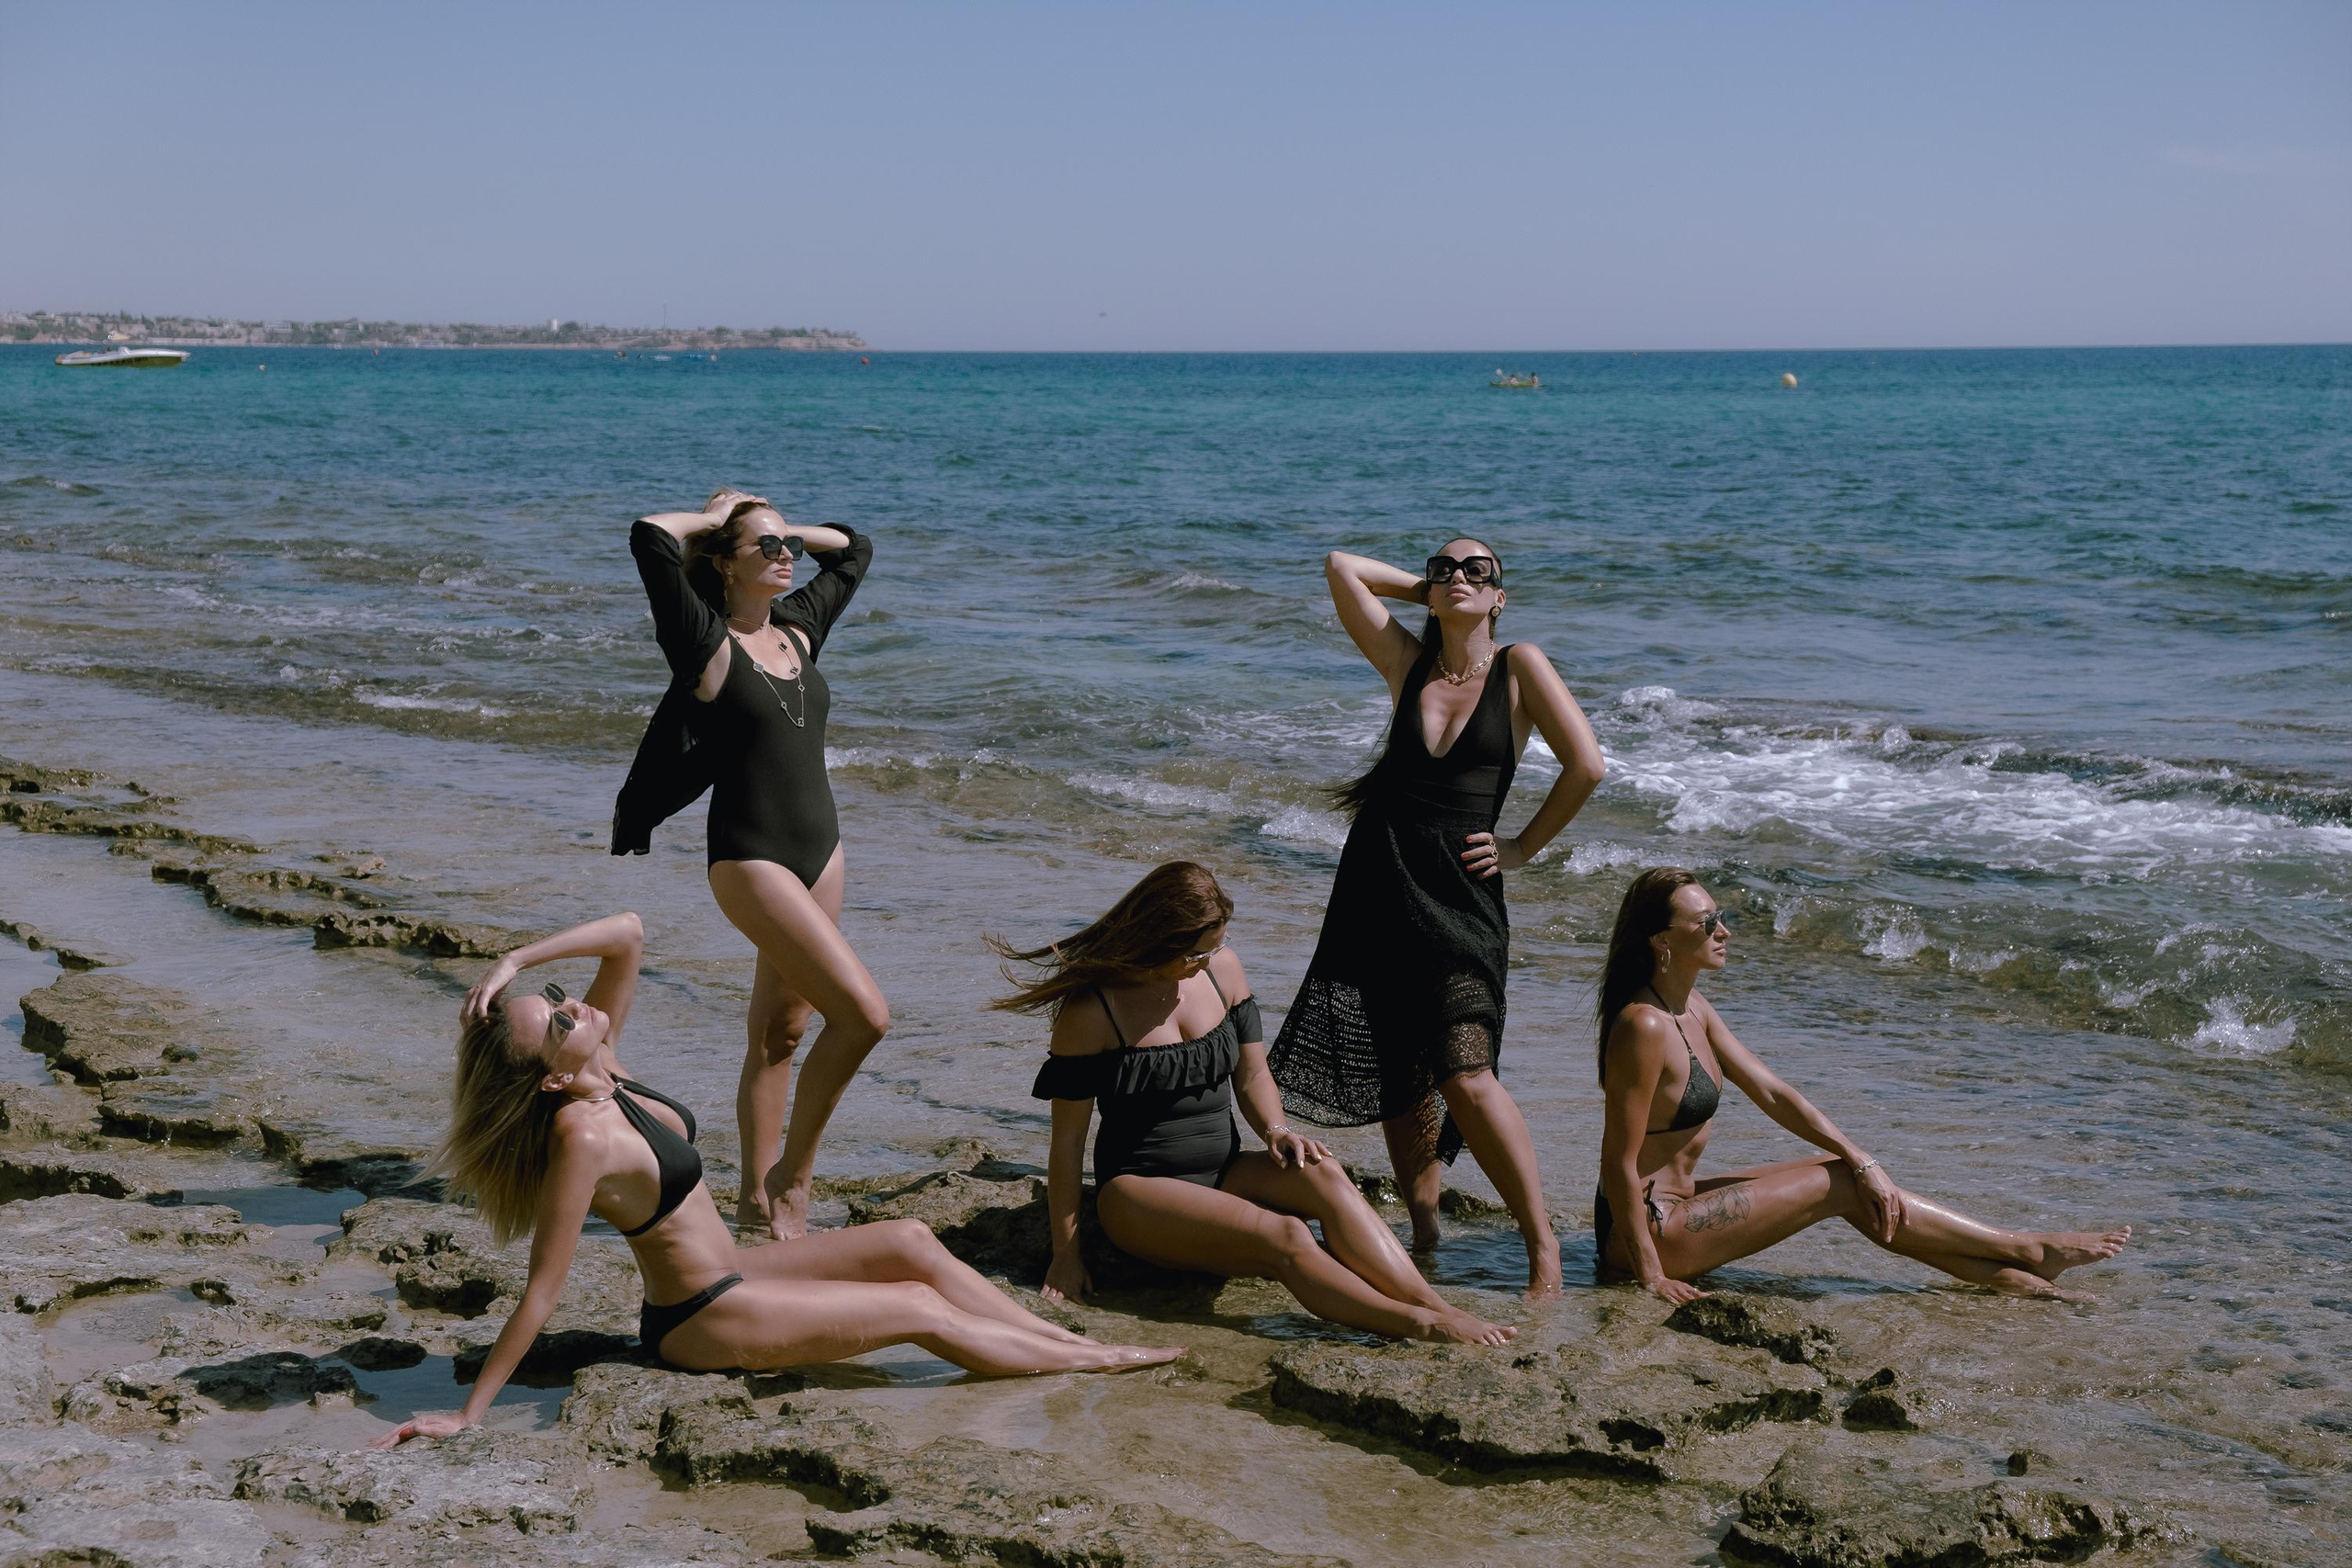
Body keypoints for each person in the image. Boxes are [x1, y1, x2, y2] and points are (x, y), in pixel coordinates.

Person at [375, 914, 1181, 1446]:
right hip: (698, 1318)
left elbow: (627, 932)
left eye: (558, 996)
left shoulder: (604, 1064)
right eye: (558, 1020)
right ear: (551, 1077)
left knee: (911, 1238)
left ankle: (1067, 1342)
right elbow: (542, 1291)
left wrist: (517, 960)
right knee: (915, 1307)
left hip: (736, 1270)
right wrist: (469, 1414)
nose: (574, 1005)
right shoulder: (580, 1134)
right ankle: (1098, 1359)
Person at [1269, 539, 1605, 1296]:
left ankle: (1542, 1242)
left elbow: (1587, 764)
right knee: (1403, 1073)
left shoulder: (1520, 667)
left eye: (1476, 570)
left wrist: (1520, 847)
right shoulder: (1407, 661)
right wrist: (1429, 592)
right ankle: (1423, 1233)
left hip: (1462, 896)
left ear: (1500, 597)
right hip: (1378, 883)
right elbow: (1341, 566)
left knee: (1466, 1069)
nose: (1457, 575)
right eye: (1443, 566)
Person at [999, 863, 1516, 1345]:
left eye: (1214, 948)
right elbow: (1067, 1145)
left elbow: (1252, 1073)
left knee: (1325, 1173)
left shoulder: (1221, 971)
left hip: (1226, 1172)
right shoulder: (1093, 1011)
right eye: (1195, 954)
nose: (1205, 962)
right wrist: (1066, 1255)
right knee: (1286, 1235)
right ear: (1158, 939)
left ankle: (1434, 1304)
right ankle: (1419, 1324)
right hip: (1139, 1193)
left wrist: (1275, 1129)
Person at [1595, 868, 2134, 1303]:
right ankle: (2026, 1248)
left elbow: (1775, 1094)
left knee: (1848, 1175)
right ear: (1661, 940)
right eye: (1706, 922)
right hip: (1645, 1230)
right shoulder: (1643, 1026)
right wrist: (1650, 1275)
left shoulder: (1693, 1007)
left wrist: (1860, 1157)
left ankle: (2007, 1276)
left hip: (1678, 1206)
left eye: (1722, 916)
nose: (1724, 931)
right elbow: (1617, 1161)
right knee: (1840, 1184)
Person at [612, 487, 882, 1242]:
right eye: (766, 547)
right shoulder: (704, 643)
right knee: (864, 1016)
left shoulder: (797, 631)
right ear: (726, 565)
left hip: (822, 853)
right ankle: (793, 1181)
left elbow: (854, 550)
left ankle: (756, 1206)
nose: (786, 554)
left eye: (786, 544)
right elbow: (649, 536)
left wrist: (774, 521)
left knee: (782, 1034)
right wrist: (713, 520)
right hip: (751, 855)